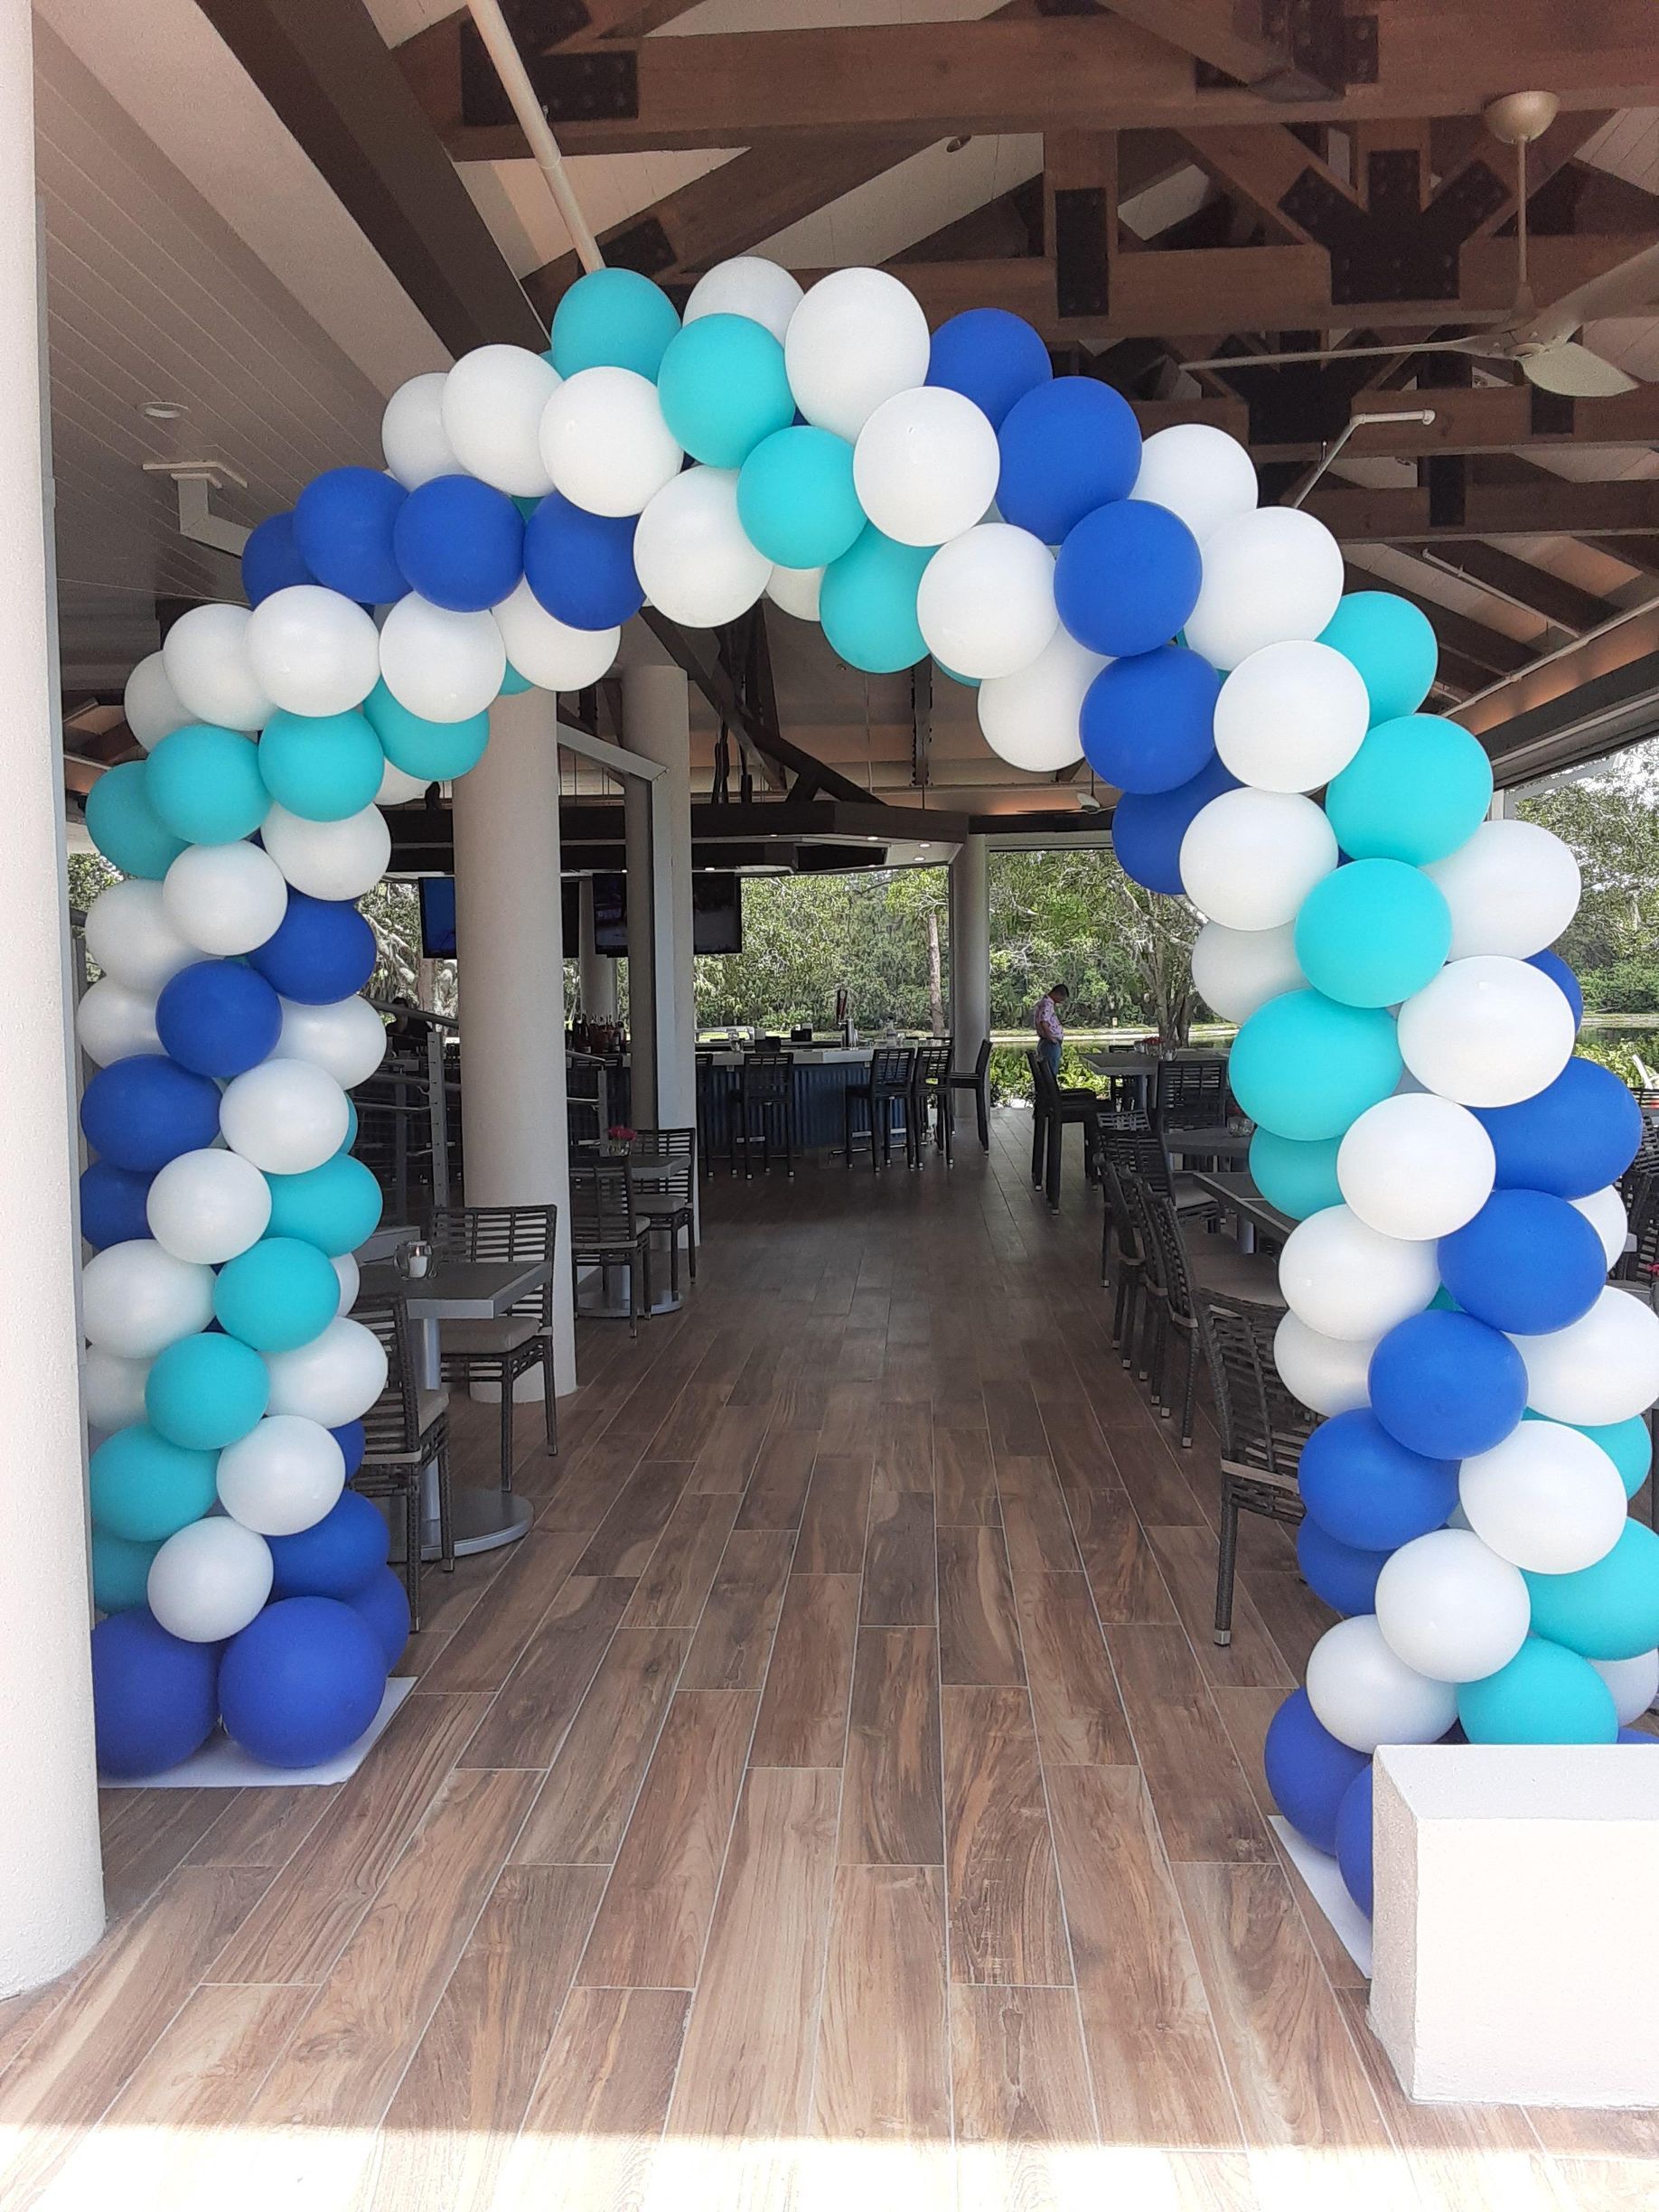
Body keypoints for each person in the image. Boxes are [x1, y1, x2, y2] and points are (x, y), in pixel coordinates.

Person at [1034, 981, 1068, 1079]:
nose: (1061, 1002)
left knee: (1047, 1072)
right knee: (1050, 1073)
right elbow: (1044, 1022)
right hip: (1049, 1043)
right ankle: (1051, 1093)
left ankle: (1048, 1091)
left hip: (1046, 1042)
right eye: (1061, 999)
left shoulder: (1044, 1003)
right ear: (1057, 993)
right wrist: (1051, 1038)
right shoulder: (1047, 1004)